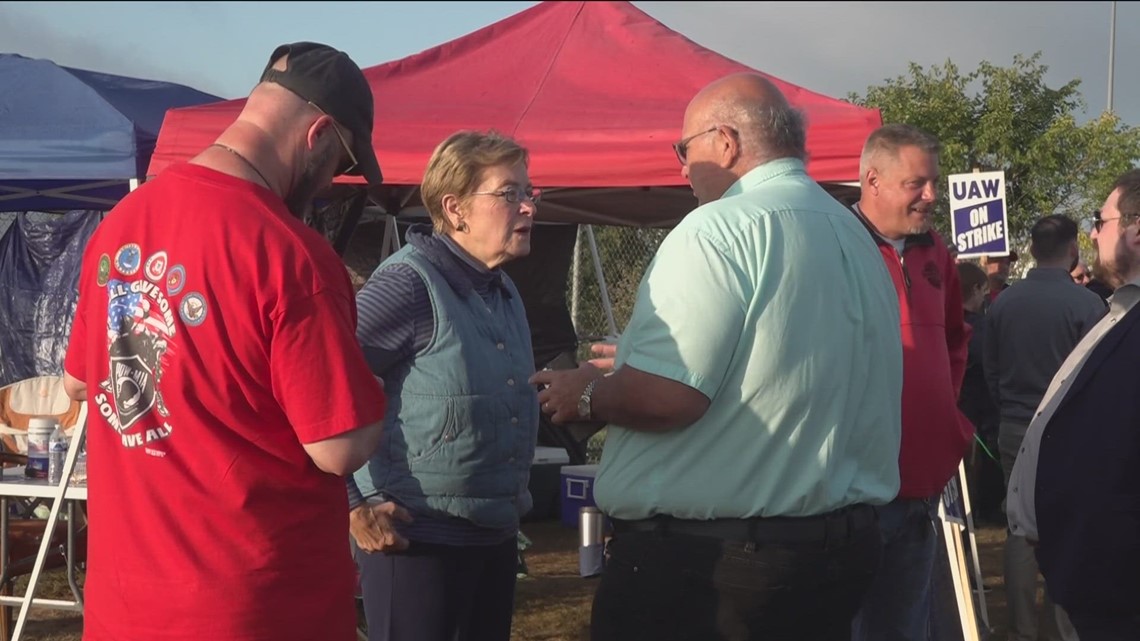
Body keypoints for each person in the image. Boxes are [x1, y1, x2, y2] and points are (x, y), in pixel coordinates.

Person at [532, 72, 902, 641]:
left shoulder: (718, 229)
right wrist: (637, 362)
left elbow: (667, 397)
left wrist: (585, 390)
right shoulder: (853, 233)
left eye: (686, 148)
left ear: (725, 142)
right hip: (834, 550)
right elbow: (774, 368)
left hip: (714, 568)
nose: (682, 167)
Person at [61, 42, 387, 641]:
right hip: (256, 608)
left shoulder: (121, 224)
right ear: (317, 133)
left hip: (125, 608)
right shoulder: (291, 255)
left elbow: (79, 381)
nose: (327, 184)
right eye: (339, 162)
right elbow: (337, 447)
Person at [347, 130, 540, 641]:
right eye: (509, 193)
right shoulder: (408, 284)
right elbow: (318, 385)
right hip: (415, 542)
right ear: (456, 209)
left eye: (529, 192)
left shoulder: (503, 290)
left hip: (493, 536)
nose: (527, 208)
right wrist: (349, 504)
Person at [848, 123, 974, 641]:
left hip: (920, 487)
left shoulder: (935, 251)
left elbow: (953, 342)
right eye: (917, 184)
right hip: (852, 494)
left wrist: (948, 418)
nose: (931, 196)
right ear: (872, 180)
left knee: (904, 627)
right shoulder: (836, 245)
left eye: (934, 183)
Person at [1007, 169, 1140, 641]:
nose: (1092, 233)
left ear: (1135, 229)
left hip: (1113, 583)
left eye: (1099, 220)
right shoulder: (1112, 310)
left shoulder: (1113, 313)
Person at [984, 214, 1103, 641]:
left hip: (1017, 423)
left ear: (1032, 249)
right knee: (1065, 525)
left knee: (1020, 526)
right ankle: (1058, 627)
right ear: (1072, 249)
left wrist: (1010, 407)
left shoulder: (1004, 304)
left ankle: (1020, 628)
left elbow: (991, 369)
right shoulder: (1087, 306)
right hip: (1070, 430)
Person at [955, 261, 1003, 525]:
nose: (986, 295)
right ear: (974, 289)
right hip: (978, 414)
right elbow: (990, 363)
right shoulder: (979, 327)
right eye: (983, 290)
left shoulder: (943, 320)